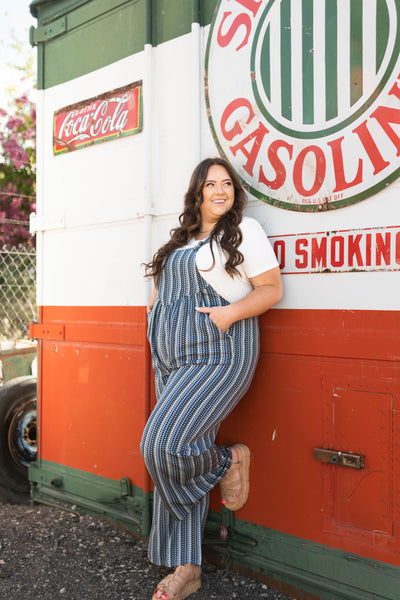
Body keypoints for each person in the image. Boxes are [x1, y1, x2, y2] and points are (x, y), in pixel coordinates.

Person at [140, 157, 282, 600]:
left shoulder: (244, 232)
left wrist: (227, 315)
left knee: (162, 445)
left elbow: (271, 289)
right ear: (197, 192)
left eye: (227, 184)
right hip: (171, 355)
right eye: (210, 184)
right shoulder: (180, 241)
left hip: (218, 350)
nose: (219, 190)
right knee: (181, 445)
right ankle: (189, 570)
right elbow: (162, 295)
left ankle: (227, 462)